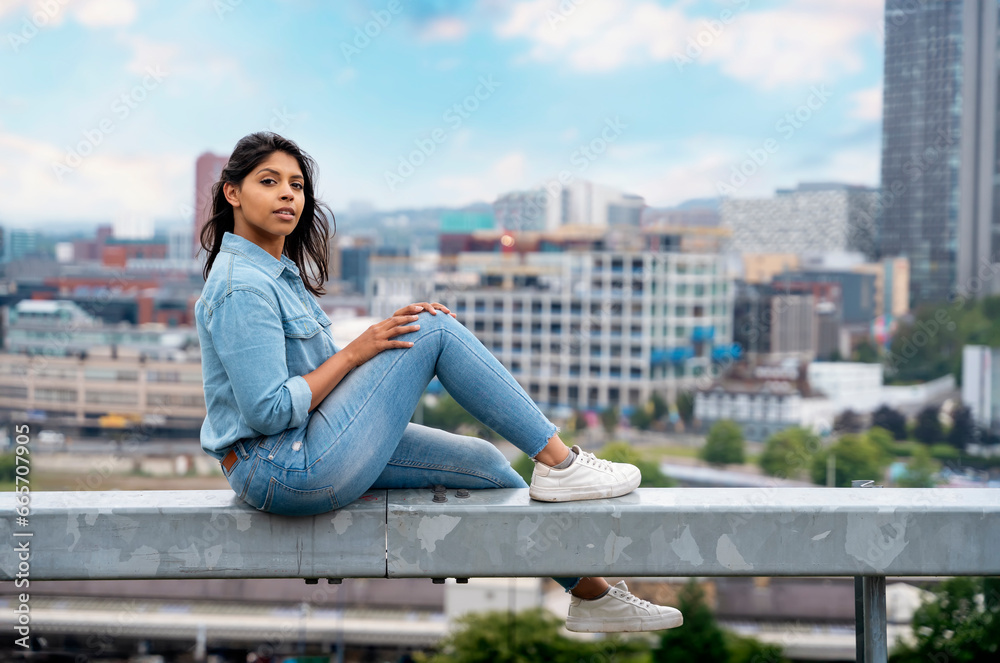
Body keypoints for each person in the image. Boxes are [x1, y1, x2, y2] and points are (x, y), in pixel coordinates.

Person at [195, 131, 683, 633]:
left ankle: (592, 597)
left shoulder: (277, 274)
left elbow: (311, 383)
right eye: (269, 181)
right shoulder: (242, 286)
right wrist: (358, 353)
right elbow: (268, 411)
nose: (287, 195)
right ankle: (561, 462)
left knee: (486, 464)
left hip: (305, 448)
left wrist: (368, 355)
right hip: (282, 466)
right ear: (233, 193)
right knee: (433, 328)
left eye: (296, 185)